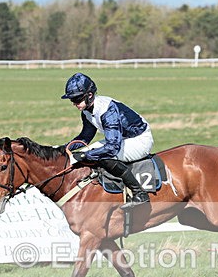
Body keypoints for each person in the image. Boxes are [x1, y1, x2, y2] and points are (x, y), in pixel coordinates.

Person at [61, 72, 154, 209]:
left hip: (139, 140)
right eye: (72, 100)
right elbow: (85, 137)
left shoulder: (107, 110)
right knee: (87, 152)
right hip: (122, 139)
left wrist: (85, 155)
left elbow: (112, 148)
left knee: (102, 156)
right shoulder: (86, 111)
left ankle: (140, 193)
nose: (75, 104)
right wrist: (63, 149)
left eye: (77, 99)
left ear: (90, 95)